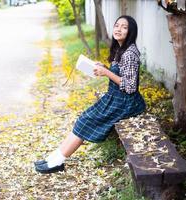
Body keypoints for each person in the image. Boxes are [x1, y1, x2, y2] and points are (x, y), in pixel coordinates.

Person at [34, 15, 146, 174]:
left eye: (124, 27)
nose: (118, 29)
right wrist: (105, 67)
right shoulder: (121, 48)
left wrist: (106, 72)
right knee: (83, 119)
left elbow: (130, 87)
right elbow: (121, 74)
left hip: (126, 103)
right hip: (116, 98)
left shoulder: (130, 54)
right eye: (117, 25)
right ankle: (54, 158)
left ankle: (57, 161)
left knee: (86, 121)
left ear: (131, 32)